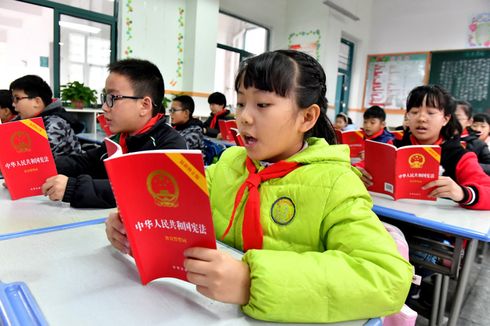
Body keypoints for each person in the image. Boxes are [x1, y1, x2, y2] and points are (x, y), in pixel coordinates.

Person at [106, 50, 413, 323]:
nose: (244, 118)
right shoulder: (230, 164)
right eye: (240, 103)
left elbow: (387, 278)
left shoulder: (335, 184)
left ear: (307, 117)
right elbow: (178, 210)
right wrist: (136, 225)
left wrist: (252, 282)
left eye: (263, 104)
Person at [41, 59, 187, 208]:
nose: (104, 107)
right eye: (105, 98)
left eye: (112, 98)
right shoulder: (122, 138)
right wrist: (44, 165)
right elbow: (88, 161)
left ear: (144, 105)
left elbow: (140, 191)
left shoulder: (170, 146)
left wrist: (72, 188)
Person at [359, 85, 490, 210]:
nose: (421, 118)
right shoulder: (392, 148)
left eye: (431, 112)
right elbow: (357, 169)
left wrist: (463, 193)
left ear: (445, 119)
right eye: (414, 112)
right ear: (408, 116)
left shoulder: (460, 157)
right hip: (389, 216)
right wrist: (358, 175)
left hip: (435, 227)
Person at [9, 75, 83, 157]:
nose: (13, 104)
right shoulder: (23, 120)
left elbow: (31, 158)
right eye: (13, 99)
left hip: (64, 169)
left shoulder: (55, 124)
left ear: (37, 102)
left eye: (17, 99)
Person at [454, 100, 490, 175]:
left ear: (469, 122)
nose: (452, 121)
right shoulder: (436, 139)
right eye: (448, 116)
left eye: (457, 118)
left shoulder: (478, 144)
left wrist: (469, 165)